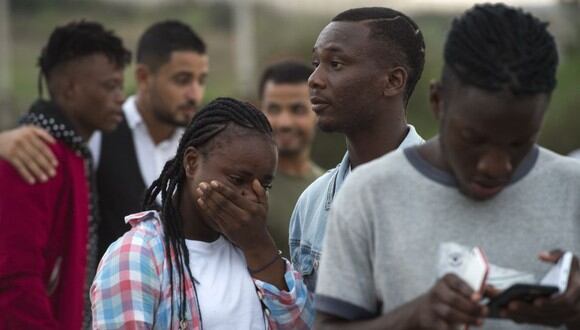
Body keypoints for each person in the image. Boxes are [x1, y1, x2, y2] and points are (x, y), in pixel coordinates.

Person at [314, 4, 580, 329]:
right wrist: (414, 317)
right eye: (474, 139)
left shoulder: (572, 189)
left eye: (518, 143)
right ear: (438, 101)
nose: (495, 166)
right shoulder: (367, 195)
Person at [91, 97, 311, 329]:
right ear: (192, 163)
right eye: (238, 180)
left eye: (263, 186)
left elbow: (305, 325)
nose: (250, 196)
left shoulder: (252, 252)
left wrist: (259, 245)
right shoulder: (136, 256)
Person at [0, 20, 210, 260]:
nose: (195, 94)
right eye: (182, 80)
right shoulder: (98, 129)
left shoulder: (198, 148)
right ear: (143, 77)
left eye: (201, 80)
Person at [0, 21, 130, 330]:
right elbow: (14, 278)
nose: (121, 98)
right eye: (110, 86)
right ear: (71, 88)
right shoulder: (33, 153)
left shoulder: (72, 153)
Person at [288, 7, 425, 293]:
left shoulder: (444, 192)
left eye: (335, 64)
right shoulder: (311, 203)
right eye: (316, 63)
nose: (314, 79)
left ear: (393, 81)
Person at [258, 60, 325, 258]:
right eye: (274, 109)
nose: (285, 122)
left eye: (297, 110)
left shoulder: (329, 187)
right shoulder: (245, 184)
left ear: (318, 112)